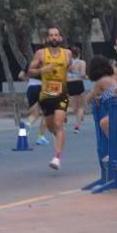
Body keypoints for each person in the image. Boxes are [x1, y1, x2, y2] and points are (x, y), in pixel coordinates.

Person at [29, 28, 70, 169]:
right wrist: (42, 70)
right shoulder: (41, 54)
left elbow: (69, 68)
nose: (54, 38)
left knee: (59, 124)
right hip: (46, 95)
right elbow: (30, 71)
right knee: (52, 126)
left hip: (62, 93)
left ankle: (57, 157)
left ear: (60, 38)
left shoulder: (67, 54)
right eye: (51, 35)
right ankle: (59, 137)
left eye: (56, 35)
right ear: (47, 38)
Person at [67, 45, 87, 133]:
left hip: (69, 83)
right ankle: (77, 126)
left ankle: (62, 115)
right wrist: (85, 76)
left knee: (72, 107)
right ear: (79, 54)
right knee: (81, 106)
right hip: (78, 83)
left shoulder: (67, 63)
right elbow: (82, 74)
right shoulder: (81, 63)